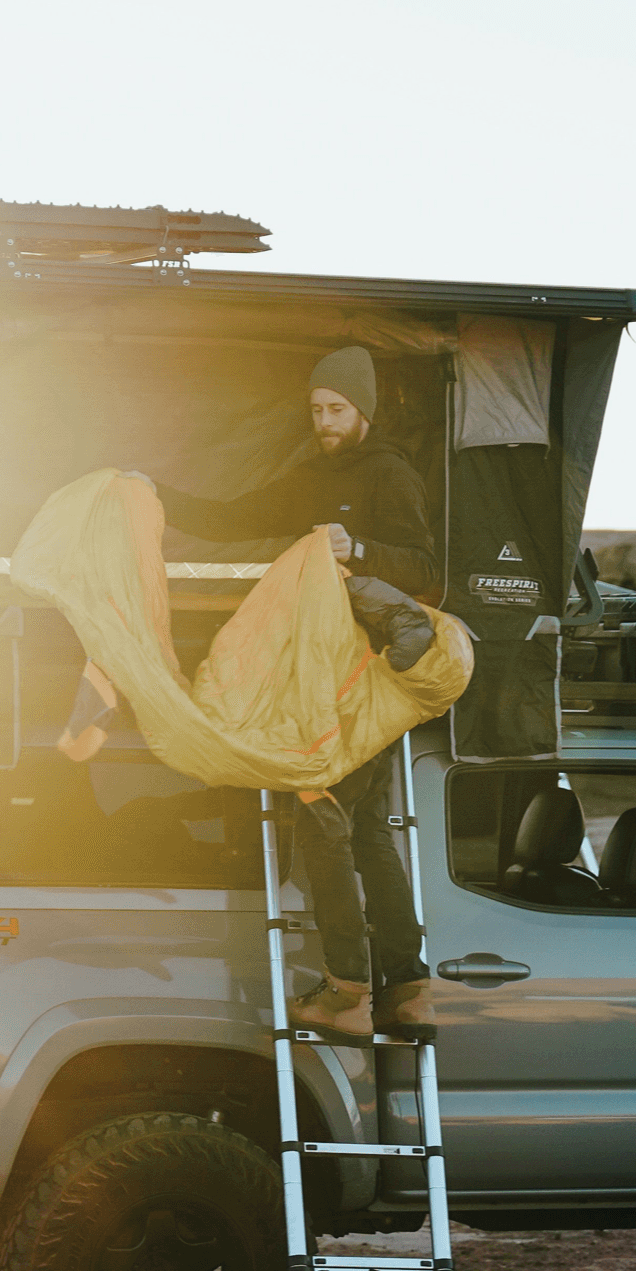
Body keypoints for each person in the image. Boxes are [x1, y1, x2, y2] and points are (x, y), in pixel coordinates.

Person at [151, 347, 440, 1040]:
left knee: (326, 829)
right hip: (328, 679)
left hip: (359, 681)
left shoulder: (389, 473)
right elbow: (231, 517)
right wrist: (154, 494)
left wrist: (360, 549)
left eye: (336, 409)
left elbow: (428, 568)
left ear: (362, 409)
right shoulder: (313, 475)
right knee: (369, 833)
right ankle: (408, 989)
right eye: (315, 410)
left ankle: (348, 992)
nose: (324, 421)